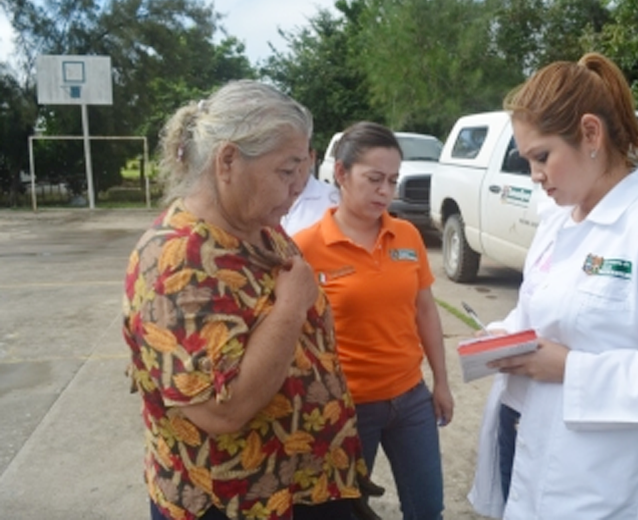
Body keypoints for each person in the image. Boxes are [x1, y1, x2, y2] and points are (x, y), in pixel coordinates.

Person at [468, 53, 638, 520]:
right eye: (527, 160)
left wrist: (571, 368)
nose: (535, 176)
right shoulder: (556, 223)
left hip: (599, 481)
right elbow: (540, 313)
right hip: (523, 433)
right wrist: (501, 335)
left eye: (542, 156)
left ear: (591, 134)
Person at [122, 80, 377, 520]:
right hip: (236, 503)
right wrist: (292, 307)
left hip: (304, 488)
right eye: (287, 169)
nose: (300, 185)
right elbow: (225, 411)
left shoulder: (260, 226)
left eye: (302, 168)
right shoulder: (175, 258)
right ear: (227, 161)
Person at [293, 121, 455, 520]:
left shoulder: (406, 236)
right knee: (346, 511)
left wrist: (441, 381)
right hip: (348, 408)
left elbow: (425, 311)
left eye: (393, 180)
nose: (386, 191)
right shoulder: (306, 248)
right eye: (375, 178)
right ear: (342, 174)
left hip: (411, 399)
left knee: (427, 507)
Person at [280, 147, 340, 235]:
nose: (289, 166)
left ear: (312, 157)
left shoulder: (333, 199)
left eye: (296, 159)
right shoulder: (264, 198)